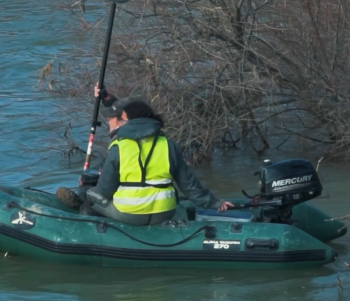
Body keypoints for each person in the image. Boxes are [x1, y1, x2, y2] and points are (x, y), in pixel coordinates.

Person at [56, 85, 233, 225]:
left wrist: (91, 190)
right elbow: (190, 187)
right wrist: (216, 203)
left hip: (129, 214)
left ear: (130, 122)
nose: (119, 121)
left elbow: (105, 190)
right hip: (164, 213)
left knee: (91, 195)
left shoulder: (119, 147)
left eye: (122, 119)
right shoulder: (169, 146)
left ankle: (85, 221)